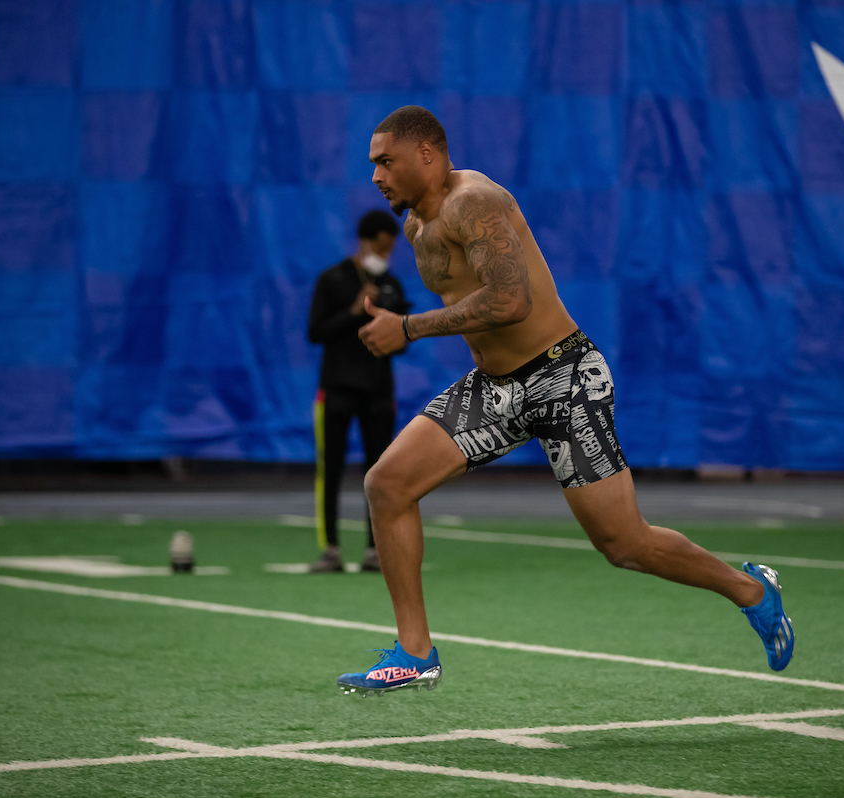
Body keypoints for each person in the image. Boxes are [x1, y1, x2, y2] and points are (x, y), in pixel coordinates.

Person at [335, 106, 793, 696]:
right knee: (386, 484)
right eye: (373, 164)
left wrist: (410, 328)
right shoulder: (415, 228)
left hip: (564, 376)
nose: (376, 175)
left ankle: (752, 590)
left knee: (624, 544)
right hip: (499, 386)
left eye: (385, 161)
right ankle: (414, 653)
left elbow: (510, 301)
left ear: (427, 154)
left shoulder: (474, 200)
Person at [307, 210, 410, 574]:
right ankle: (330, 548)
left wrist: (392, 329)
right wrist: (353, 312)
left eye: (391, 249)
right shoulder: (332, 279)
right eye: (382, 246)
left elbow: (402, 342)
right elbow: (315, 331)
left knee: (379, 473)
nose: (386, 254)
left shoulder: (392, 286)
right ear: (366, 240)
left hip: (379, 393)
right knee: (329, 470)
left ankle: (374, 549)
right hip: (335, 391)